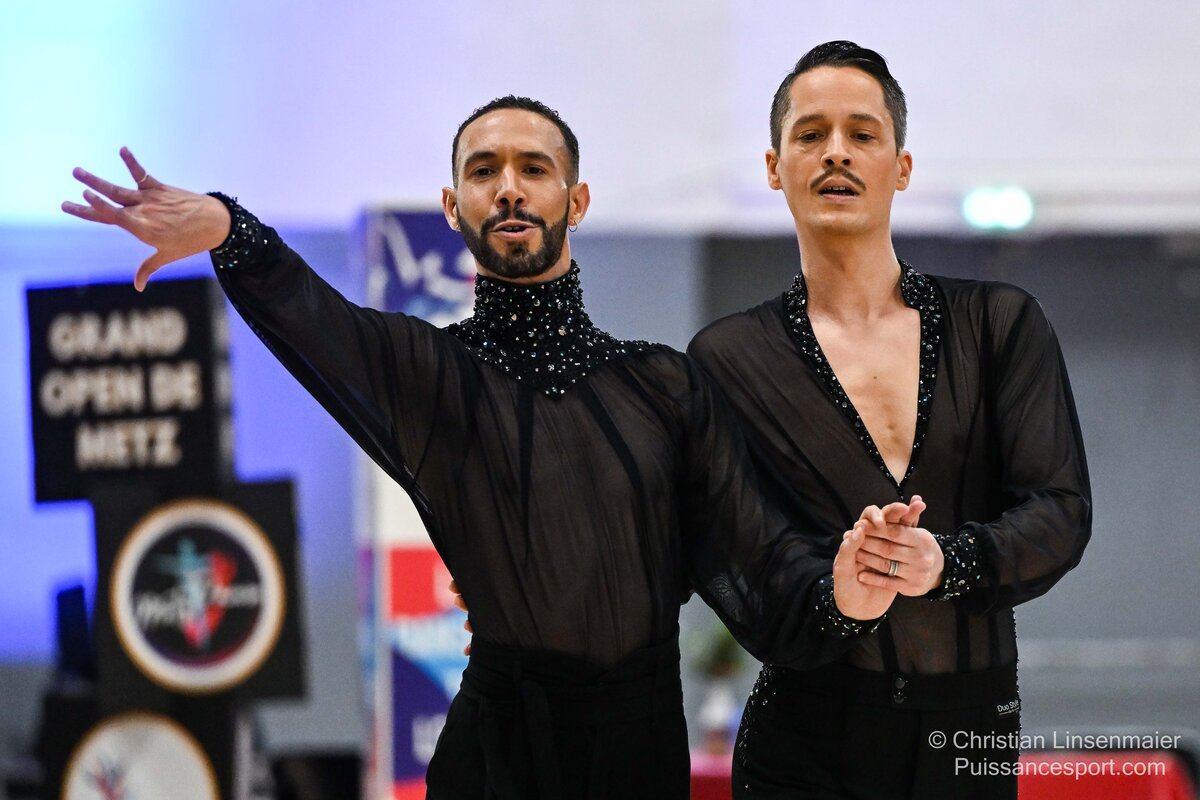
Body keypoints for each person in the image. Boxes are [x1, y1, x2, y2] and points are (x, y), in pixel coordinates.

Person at [63, 96, 913, 799]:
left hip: (641, 751)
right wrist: (227, 228)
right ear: (453, 207)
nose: (509, 188)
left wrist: (841, 590)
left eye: (533, 169)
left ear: (577, 200)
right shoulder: (429, 372)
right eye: (484, 171)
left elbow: (752, 558)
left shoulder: (665, 384)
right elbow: (316, 323)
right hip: (497, 756)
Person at [688, 42, 1092, 799]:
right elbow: (734, 558)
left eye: (862, 133)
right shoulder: (727, 358)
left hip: (969, 733)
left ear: (900, 167)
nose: (836, 152)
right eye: (811, 134)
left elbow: (1061, 510)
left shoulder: (999, 323)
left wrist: (947, 562)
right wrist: (838, 596)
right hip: (805, 744)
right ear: (775, 167)